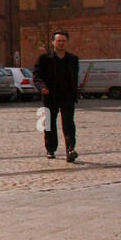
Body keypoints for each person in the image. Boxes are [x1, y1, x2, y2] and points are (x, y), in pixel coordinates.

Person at [33, 30, 79, 162]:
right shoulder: (43, 59)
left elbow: (74, 78)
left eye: (63, 41)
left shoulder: (73, 59)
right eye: (58, 41)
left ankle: (70, 149)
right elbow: (36, 76)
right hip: (50, 96)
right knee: (49, 123)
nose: (61, 43)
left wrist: (75, 92)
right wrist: (42, 88)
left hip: (67, 96)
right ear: (53, 42)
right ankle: (50, 149)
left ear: (67, 42)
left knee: (68, 123)